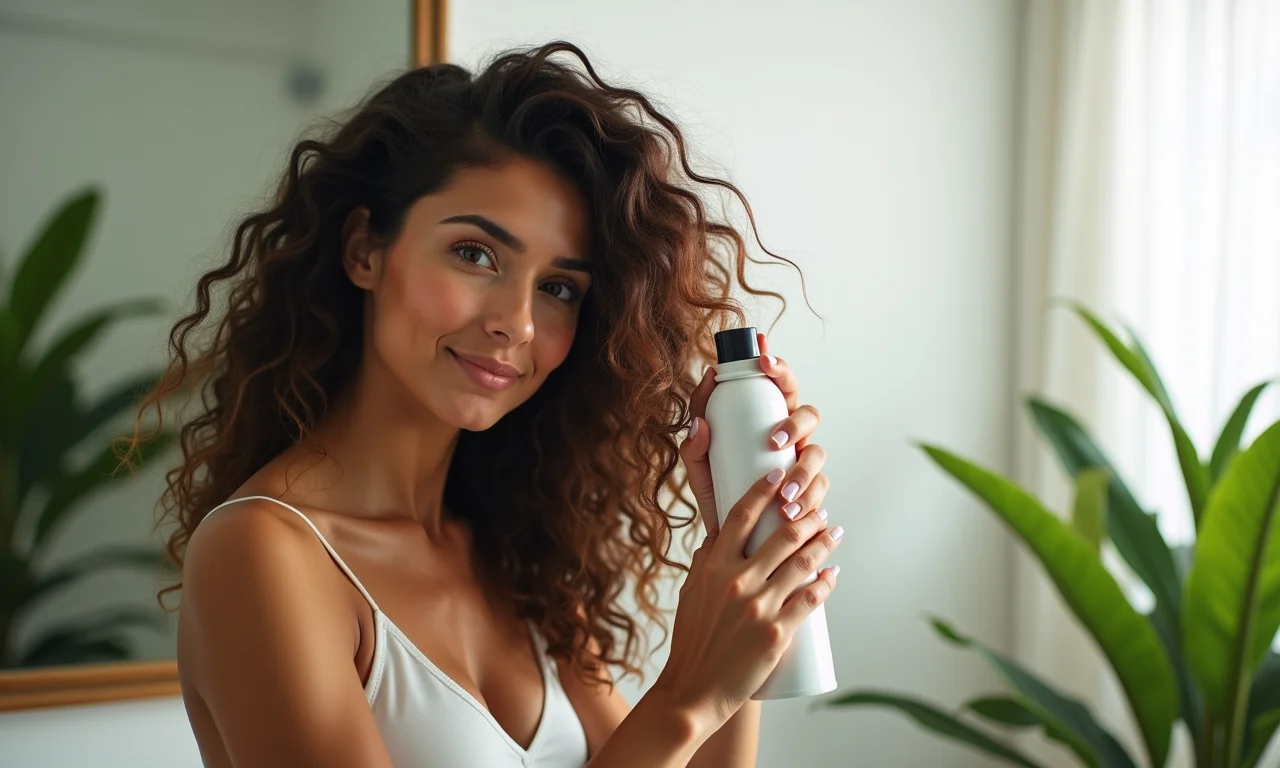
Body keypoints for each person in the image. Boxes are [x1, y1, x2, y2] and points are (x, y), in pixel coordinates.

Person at [128, 40, 841, 768]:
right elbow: (676, 722)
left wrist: (738, 557)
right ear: (363, 250)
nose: (518, 324)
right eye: (475, 254)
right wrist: (688, 696)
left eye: (559, 288)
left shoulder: (512, 559)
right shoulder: (263, 553)